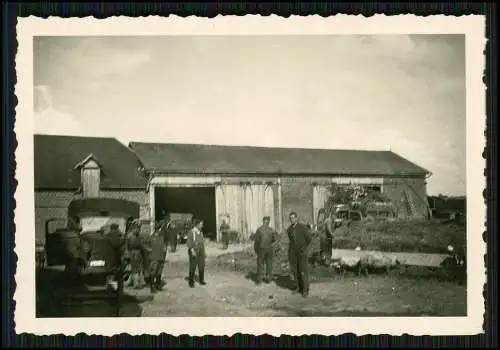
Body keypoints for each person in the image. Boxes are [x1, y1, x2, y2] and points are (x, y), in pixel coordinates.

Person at [287, 211, 313, 297]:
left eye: (293, 218)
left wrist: (305, 250)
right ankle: (298, 288)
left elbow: (309, 239)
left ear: (296, 218)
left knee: (303, 271)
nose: (292, 220)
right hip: (293, 253)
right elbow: (291, 241)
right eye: (290, 218)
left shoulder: (302, 227)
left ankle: (305, 290)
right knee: (295, 271)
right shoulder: (289, 230)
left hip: (302, 253)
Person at [253, 216, 278, 284]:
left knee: (260, 264)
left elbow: (256, 241)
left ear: (263, 221)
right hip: (269, 249)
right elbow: (274, 240)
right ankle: (268, 278)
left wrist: (256, 250)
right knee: (269, 263)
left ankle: (259, 280)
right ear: (268, 222)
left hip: (261, 249)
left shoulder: (259, 230)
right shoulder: (271, 230)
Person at [126, 221, 147, 289]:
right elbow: (140, 245)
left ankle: (132, 282)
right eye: (138, 227)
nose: (139, 229)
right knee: (136, 269)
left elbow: (126, 245)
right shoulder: (136, 235)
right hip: (136, 253)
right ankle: (136, 283)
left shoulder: (129, 235)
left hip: (132, 253)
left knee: (135, 268)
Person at [148, 221, 168, 293]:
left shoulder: (161, 237)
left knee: (159, 272)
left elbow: (164, 248)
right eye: (158, 229)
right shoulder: (152, 238)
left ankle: (158, 285)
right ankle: (152, 287)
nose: (158, 231)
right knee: (154, 272)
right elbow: (149, 248)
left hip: (160, 257)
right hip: (155, 258)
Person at [187, 218, 206, 288]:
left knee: (201, 265)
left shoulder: (201, 232)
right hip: (194, 251)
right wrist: (192, 251)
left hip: (201, 251)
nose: (202, 226)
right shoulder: (191, 232)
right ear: (197, 225)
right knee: (193, 266)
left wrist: (204, 253)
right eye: (201, 224)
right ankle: (191, 282)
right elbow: (189, 242)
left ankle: (201, 280)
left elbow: (202, 243)